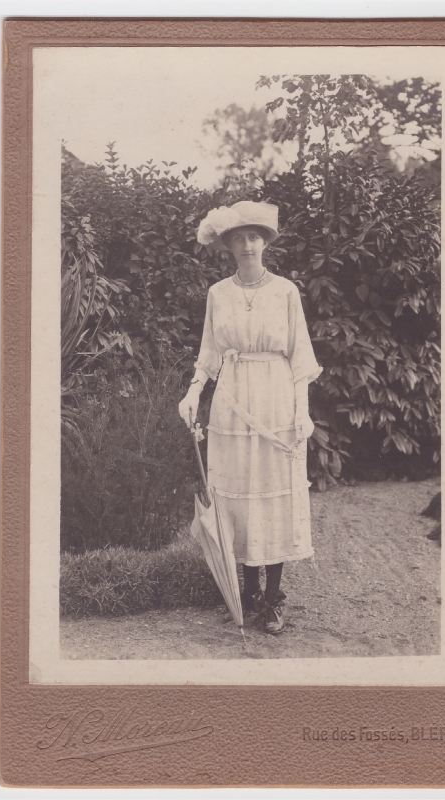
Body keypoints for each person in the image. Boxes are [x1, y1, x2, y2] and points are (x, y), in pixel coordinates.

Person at [179, 201, 321, 634]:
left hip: (275, 397)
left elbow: (300, 356)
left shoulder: (286, 291)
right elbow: (208, 352)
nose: (247, 244)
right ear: (228, 245)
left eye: (255, 236)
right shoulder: (218, 293)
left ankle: (273, 598)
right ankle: (247, 594)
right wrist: (193, 392)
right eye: (239, 237)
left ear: (266, 242)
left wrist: (303, 412)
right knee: (237, 494)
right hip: (233, 399)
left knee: (272, 492)